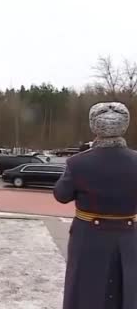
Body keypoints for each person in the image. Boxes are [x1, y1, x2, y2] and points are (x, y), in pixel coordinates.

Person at [54, 102, 137, 309]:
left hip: (88, 237)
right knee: (126, 291)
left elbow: (61, 195)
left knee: (84, 292)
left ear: (94, 126)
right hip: (129, 236)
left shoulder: (78, 163)